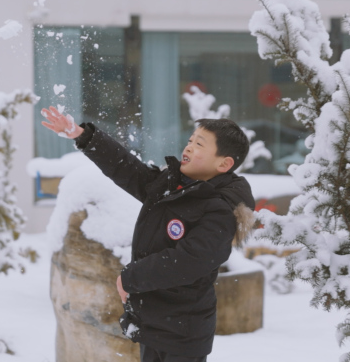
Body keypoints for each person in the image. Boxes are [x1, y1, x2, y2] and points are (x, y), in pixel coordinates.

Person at [41, 105, 256, 362]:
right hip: (153, 324)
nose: (188, 147)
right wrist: (83, 136)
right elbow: (127, 169)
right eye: (190, 140)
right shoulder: (173, 186)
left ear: (224, 163)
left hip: (183, 333)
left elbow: (189, 261)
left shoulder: (221, 209)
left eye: (199, 144)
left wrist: (131, 277)